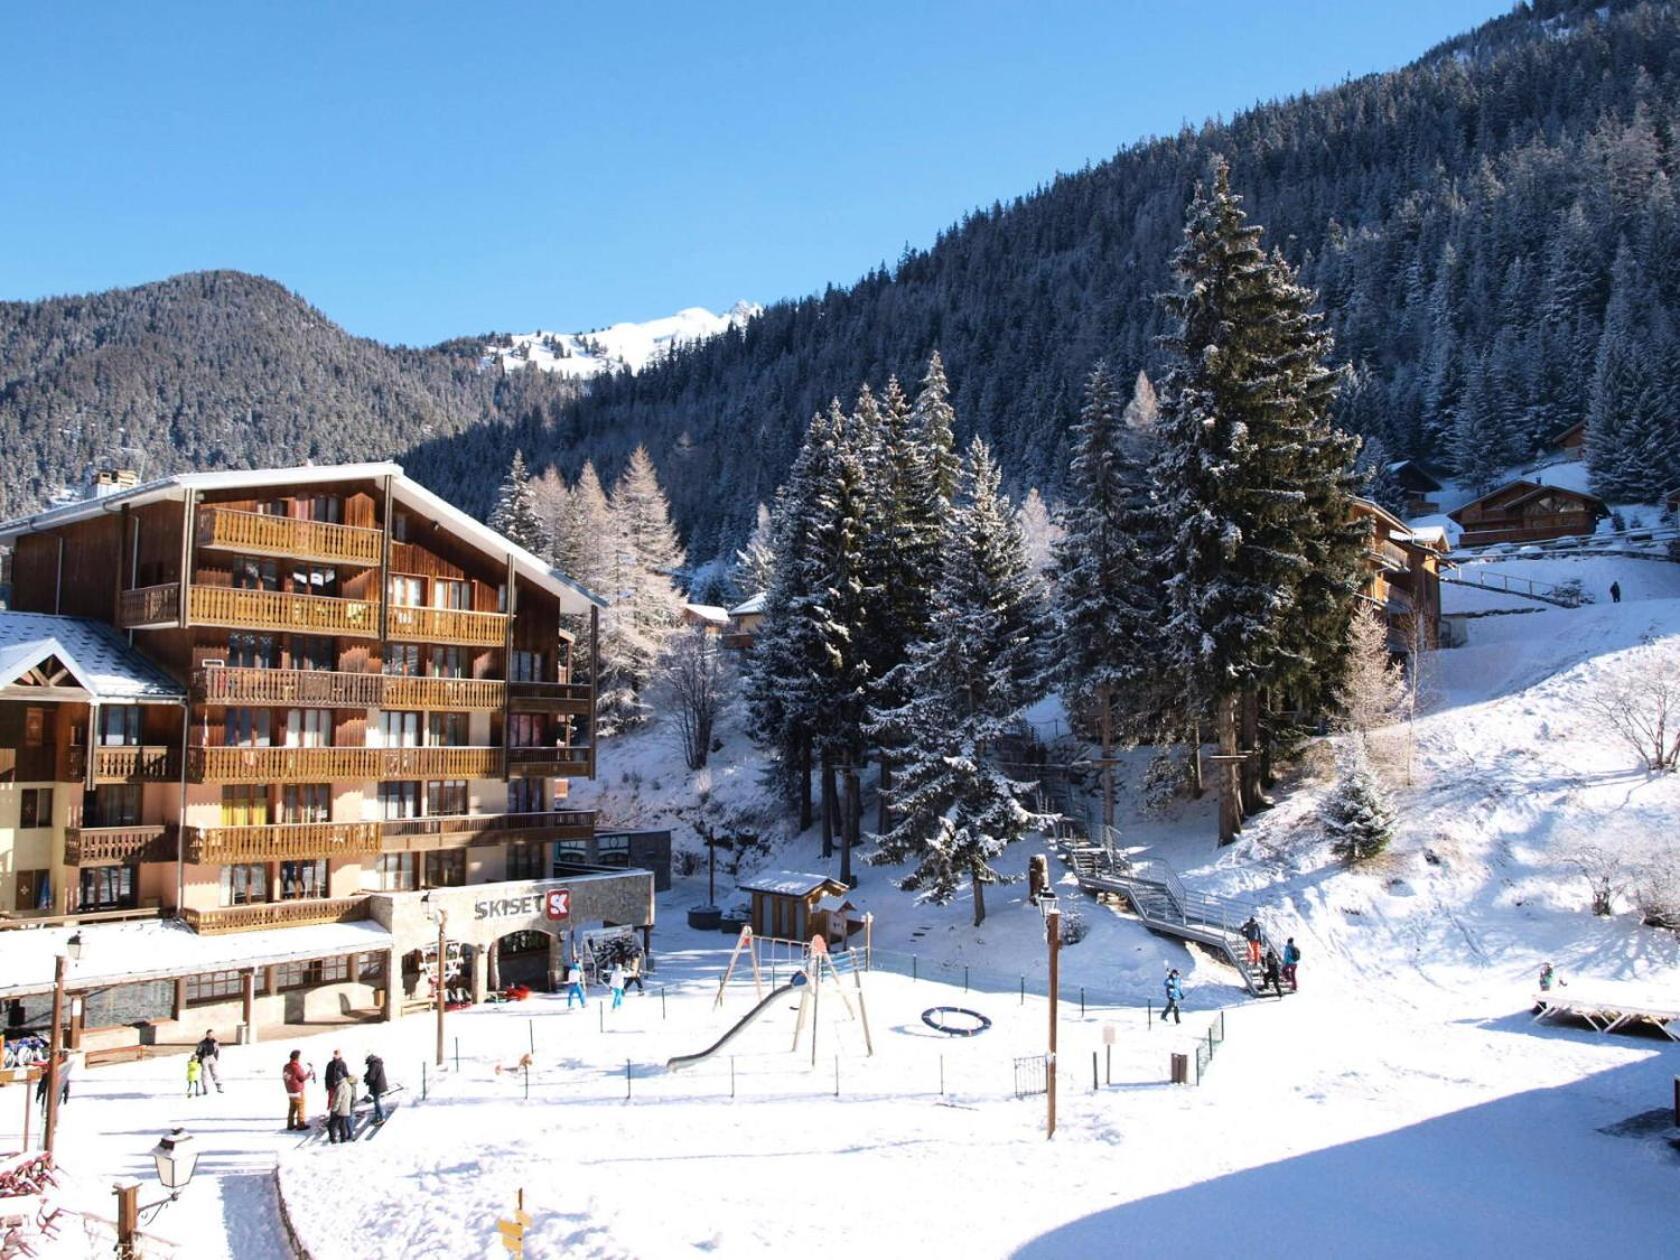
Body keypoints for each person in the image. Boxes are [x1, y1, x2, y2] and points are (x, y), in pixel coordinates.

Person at [282, 1049, 315, 1132]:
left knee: (292, 1108)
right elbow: (302, 1078)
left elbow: (286, 1077)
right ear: (297, 1058)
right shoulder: (296, 1067)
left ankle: (290, 1125)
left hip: (290, 1090)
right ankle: (301, 1124)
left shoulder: (286, 1066)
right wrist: (309, 1074)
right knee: (301, 1107)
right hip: (298, 1091)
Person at [328, 1073, 357, 1144]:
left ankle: (333, 1140)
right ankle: (343, 1139)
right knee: (342, 1124)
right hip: (346, 1108)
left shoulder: (340, 1087)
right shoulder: (347, 1085)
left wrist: (334, 1109)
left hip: (340, 1109)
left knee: (331, 1125)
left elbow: (338, 1099)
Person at [363, 1053, 389, 1124]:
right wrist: (366, 1076)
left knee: (377, 1102)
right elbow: (371, 1074)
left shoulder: (374, 1064)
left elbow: (372, 1077)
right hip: (378, 1085)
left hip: (377, 1086)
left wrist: (366, 1080)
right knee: (376, 1101)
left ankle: (381, 1117)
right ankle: (377, 1116)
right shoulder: (376, 1062)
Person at [195, 1029, 223, 1094]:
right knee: (204, 1074)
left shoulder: (215, 1042)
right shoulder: (202, 1043)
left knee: (214, 1072)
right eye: (209, 1034)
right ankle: (205, 1089)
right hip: (205, 1058)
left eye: (212, 1034)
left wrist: (215, 1058)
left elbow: (217, 1050)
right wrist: (201, 1058)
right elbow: (197, 1052)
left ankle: (218, 1087)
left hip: (212, 1057)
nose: (211, 1036)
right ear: (207, 1035)